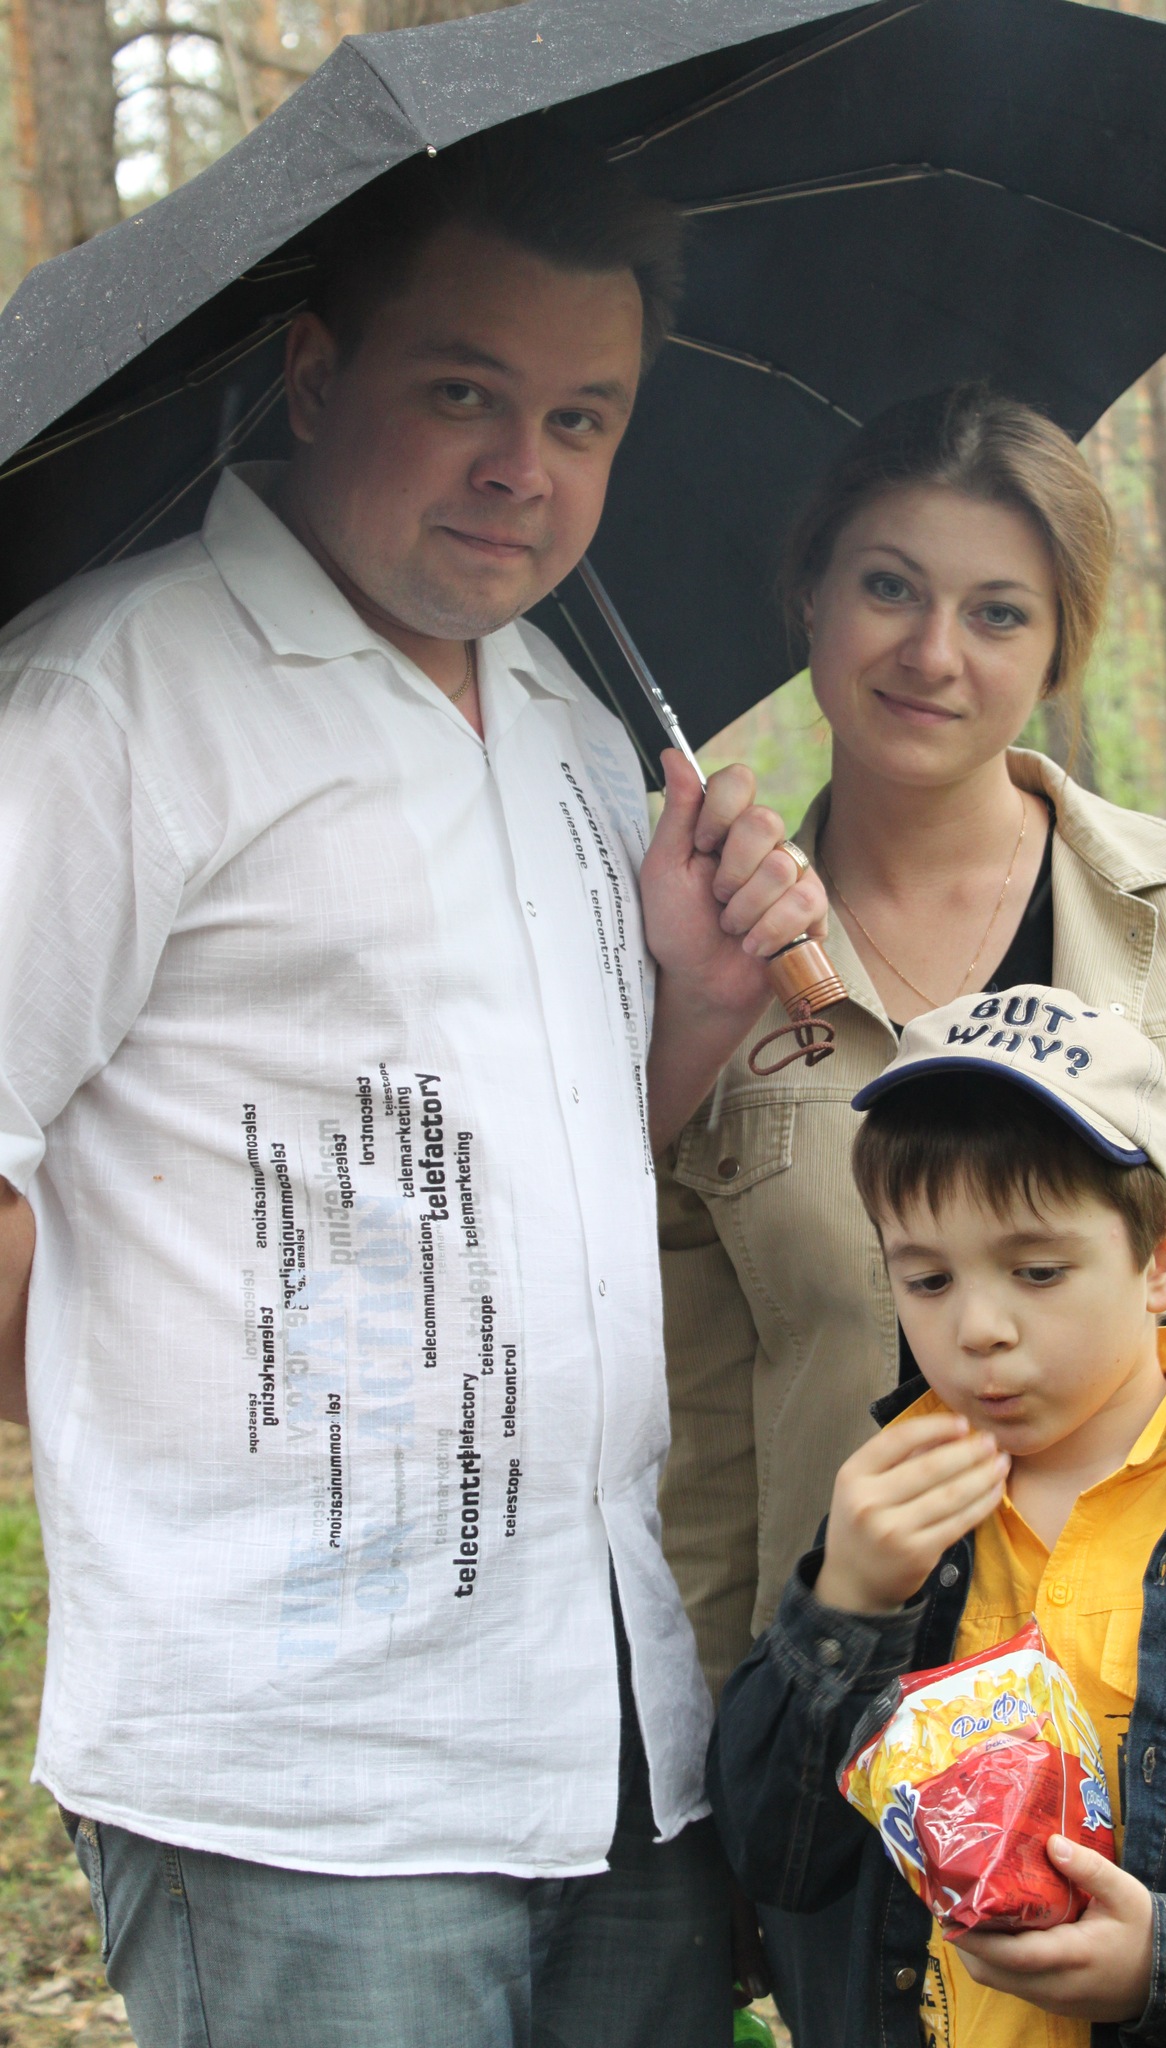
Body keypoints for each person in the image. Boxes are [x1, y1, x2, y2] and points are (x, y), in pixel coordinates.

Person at [0, 126, 829, 2048]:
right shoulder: (111, 702)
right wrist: (118, 1443)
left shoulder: (571, 724)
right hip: (299, 1788)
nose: (523, 467)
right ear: (313, 373)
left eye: (582, 416)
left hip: (609, 1741)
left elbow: (533, 1182)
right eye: (464, 391)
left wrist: (698, 1006)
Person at [657, 384, 1166, 2033]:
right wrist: (721, 1784)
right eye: (887, 586)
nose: (933, 652)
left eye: (998, 611)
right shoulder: (709, 968)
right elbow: (702, 1433)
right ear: (809, 594)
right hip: (860, 1745)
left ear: (1059, 647)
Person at [708, 988, 1166, 2047]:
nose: (979, 1326)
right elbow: (777, 1855)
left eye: (1038, 1270)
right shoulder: (896, 1515)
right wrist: (845, 1608)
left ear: (1163, 1256)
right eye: (928, 1277)